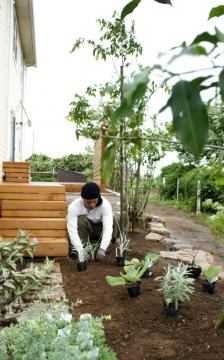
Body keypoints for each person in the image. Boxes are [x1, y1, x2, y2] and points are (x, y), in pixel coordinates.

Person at [67, 182, 117, 262]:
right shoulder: (74, 207)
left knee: (113, 218)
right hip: (87, 228)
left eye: (94, 201)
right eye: (88, 202)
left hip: (100, 227)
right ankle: (85, 249)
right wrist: (80, 251)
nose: (92, 205)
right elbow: (72, 231)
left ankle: (107, 247)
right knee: (80, 220)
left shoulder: (105, 205)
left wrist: (103, 248)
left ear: (98, 197)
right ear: (82, 199)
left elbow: (108, 228)